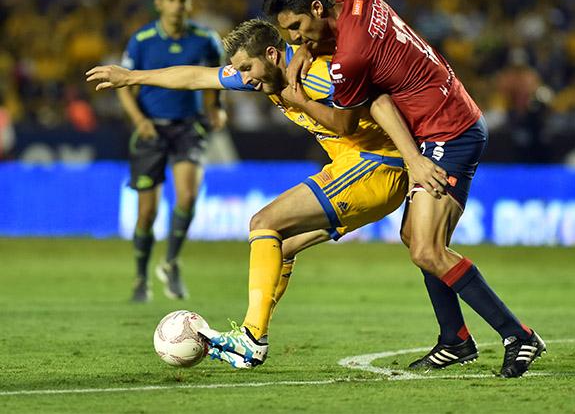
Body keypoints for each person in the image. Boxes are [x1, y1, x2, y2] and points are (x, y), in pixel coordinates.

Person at [253, 0, 545, 378]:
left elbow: (347, 125)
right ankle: (455, 340)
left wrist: (293, 95)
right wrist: (305, 48)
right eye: (288, 34)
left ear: (317, 8)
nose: (294, 40)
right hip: (444, 116)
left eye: (297, 28)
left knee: (427, 250)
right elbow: (354, 52)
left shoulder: (350, 58)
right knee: (415, 238)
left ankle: (519, 336)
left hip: (447, 130)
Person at [86, 19, 409, 367]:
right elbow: (197, 77)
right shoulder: (265, 73)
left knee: (263, 222)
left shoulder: (318, 76)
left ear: (272, 54)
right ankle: (253, 338)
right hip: (352, 167)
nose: (245, 78)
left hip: (376, 167)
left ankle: (252, 339)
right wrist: (133, 77)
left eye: (247, 69)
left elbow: (382, 101)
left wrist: (418, 159)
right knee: (280, 246)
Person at [117, 0, 226, 302]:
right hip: (151, 129)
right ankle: (140, 279)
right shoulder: (142, 40)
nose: (177, 5)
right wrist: (139, 120)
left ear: (190, 4)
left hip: (188, 128)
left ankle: (171, 262)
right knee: (146, 214)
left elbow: (216, 80)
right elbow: (125, 86)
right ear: (159, 3)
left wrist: (217, 107)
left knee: (188, 196)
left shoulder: (206, 40)